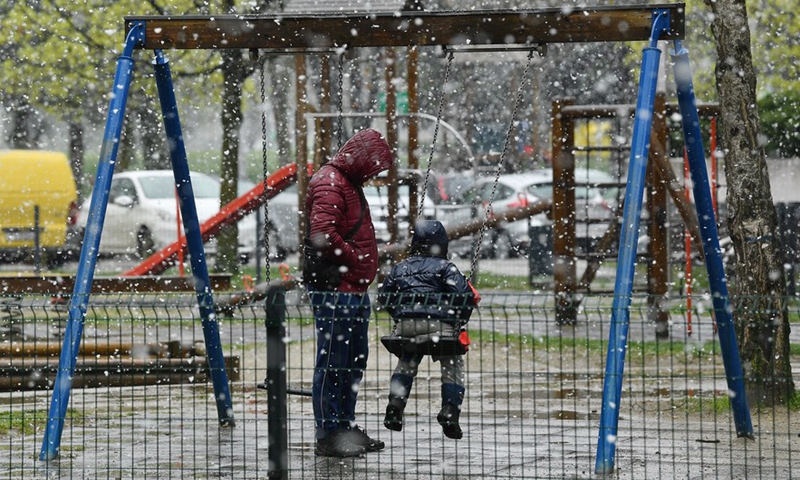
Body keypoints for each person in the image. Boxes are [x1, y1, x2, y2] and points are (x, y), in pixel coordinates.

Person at [304, 128, 392, 458]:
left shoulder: (346, 181)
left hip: (351, 288)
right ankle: (329, 431)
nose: (373, 176)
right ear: (360, 161)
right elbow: (323, 234)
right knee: (334, 361)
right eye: (372, 169)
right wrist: (356, 259)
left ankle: (344, 425)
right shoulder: (331, 182)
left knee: (353, 359)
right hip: (335, 289)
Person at [377, 220, 477, 439]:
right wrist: (458, 320)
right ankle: (450, 410)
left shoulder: (400, 267)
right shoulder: (446, 267)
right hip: (439, 324)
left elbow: (384, 297)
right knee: (451, 361)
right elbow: (463, 297)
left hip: (406, 326)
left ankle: (396, 404)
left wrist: (401, 316)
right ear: (442, 243)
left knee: (406, 361)